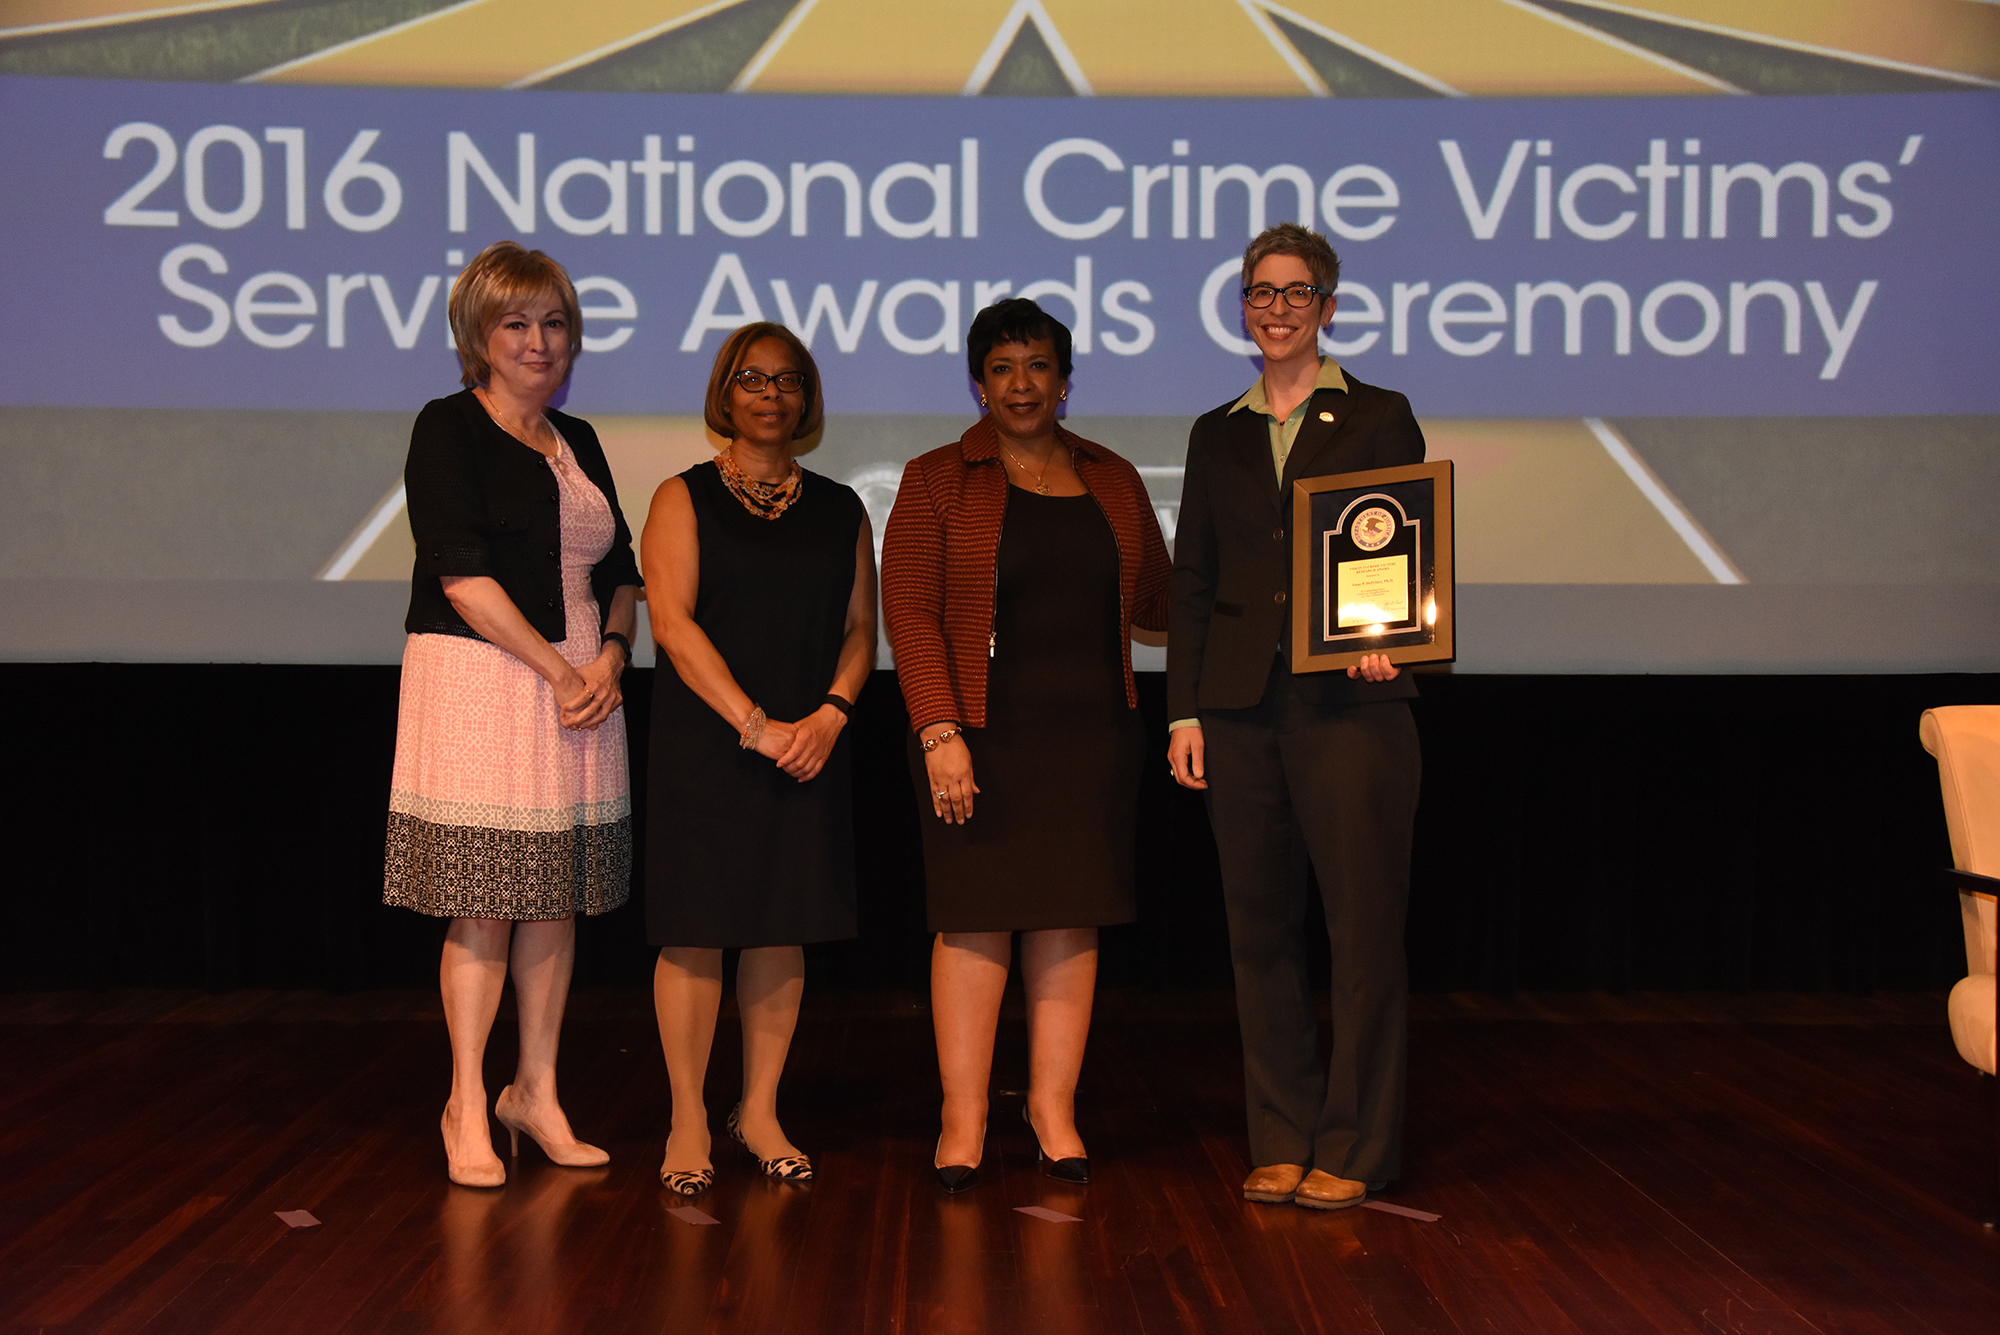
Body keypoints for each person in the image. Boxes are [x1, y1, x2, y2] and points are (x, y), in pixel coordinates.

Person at [882, 298, 1172, 1193]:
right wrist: (940, 733)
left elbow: (1159, 603)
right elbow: (911, 614)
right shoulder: (936, 478)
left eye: (1038, 365)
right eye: (1002, 368)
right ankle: (963, 1117)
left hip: (1092, 738)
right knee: (974, 920)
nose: (1021, 384)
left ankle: (1053, 1110)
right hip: (976, 734)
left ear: (1064, 379)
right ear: (979, 383)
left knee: (1069, 916)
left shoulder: (1114, 477)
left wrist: (1255, 569)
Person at [1167, 223, 1425, 1211]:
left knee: (1362, 937)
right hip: (1237, 713)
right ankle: (1280, 1133)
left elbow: (1398, 548)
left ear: (1327, 306)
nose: (1277, 310)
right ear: (1242, 307)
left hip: (1351, 707)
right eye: (1260, 293)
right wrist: (1183, 714)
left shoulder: (1379, 414)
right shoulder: (1216, 431)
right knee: (1259, 934)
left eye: (1296, 292)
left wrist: (1390, 636)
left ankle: (1356, 1144)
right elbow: (1194, 581)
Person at [384, 240, 641, 1188]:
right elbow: (460, 574)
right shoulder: (447, 426)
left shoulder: (580, 440)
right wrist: (559, 669)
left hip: (580, 687)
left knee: (555, 895)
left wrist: (609, 657)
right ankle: (465, 1101)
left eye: (555, 323)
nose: (540, 342)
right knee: (488, 898)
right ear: (478, 337)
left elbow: (621, 574)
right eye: (517, 324)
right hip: (485, 680)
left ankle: (535, 1090)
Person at [642, 322, 876, 1196]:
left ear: (806, 397)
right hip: (711, 743)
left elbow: (862, 630)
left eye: (787, 380)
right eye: (752, 378)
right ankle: (689, 1119)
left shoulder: (842, 508)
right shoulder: (682, 496)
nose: (771, 394)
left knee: (783, 923)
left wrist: (830, 715)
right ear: (724, 393)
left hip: (807, 746)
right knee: (696, 928)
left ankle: (761, 1111)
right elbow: (672, 624)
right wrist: (754, 724)